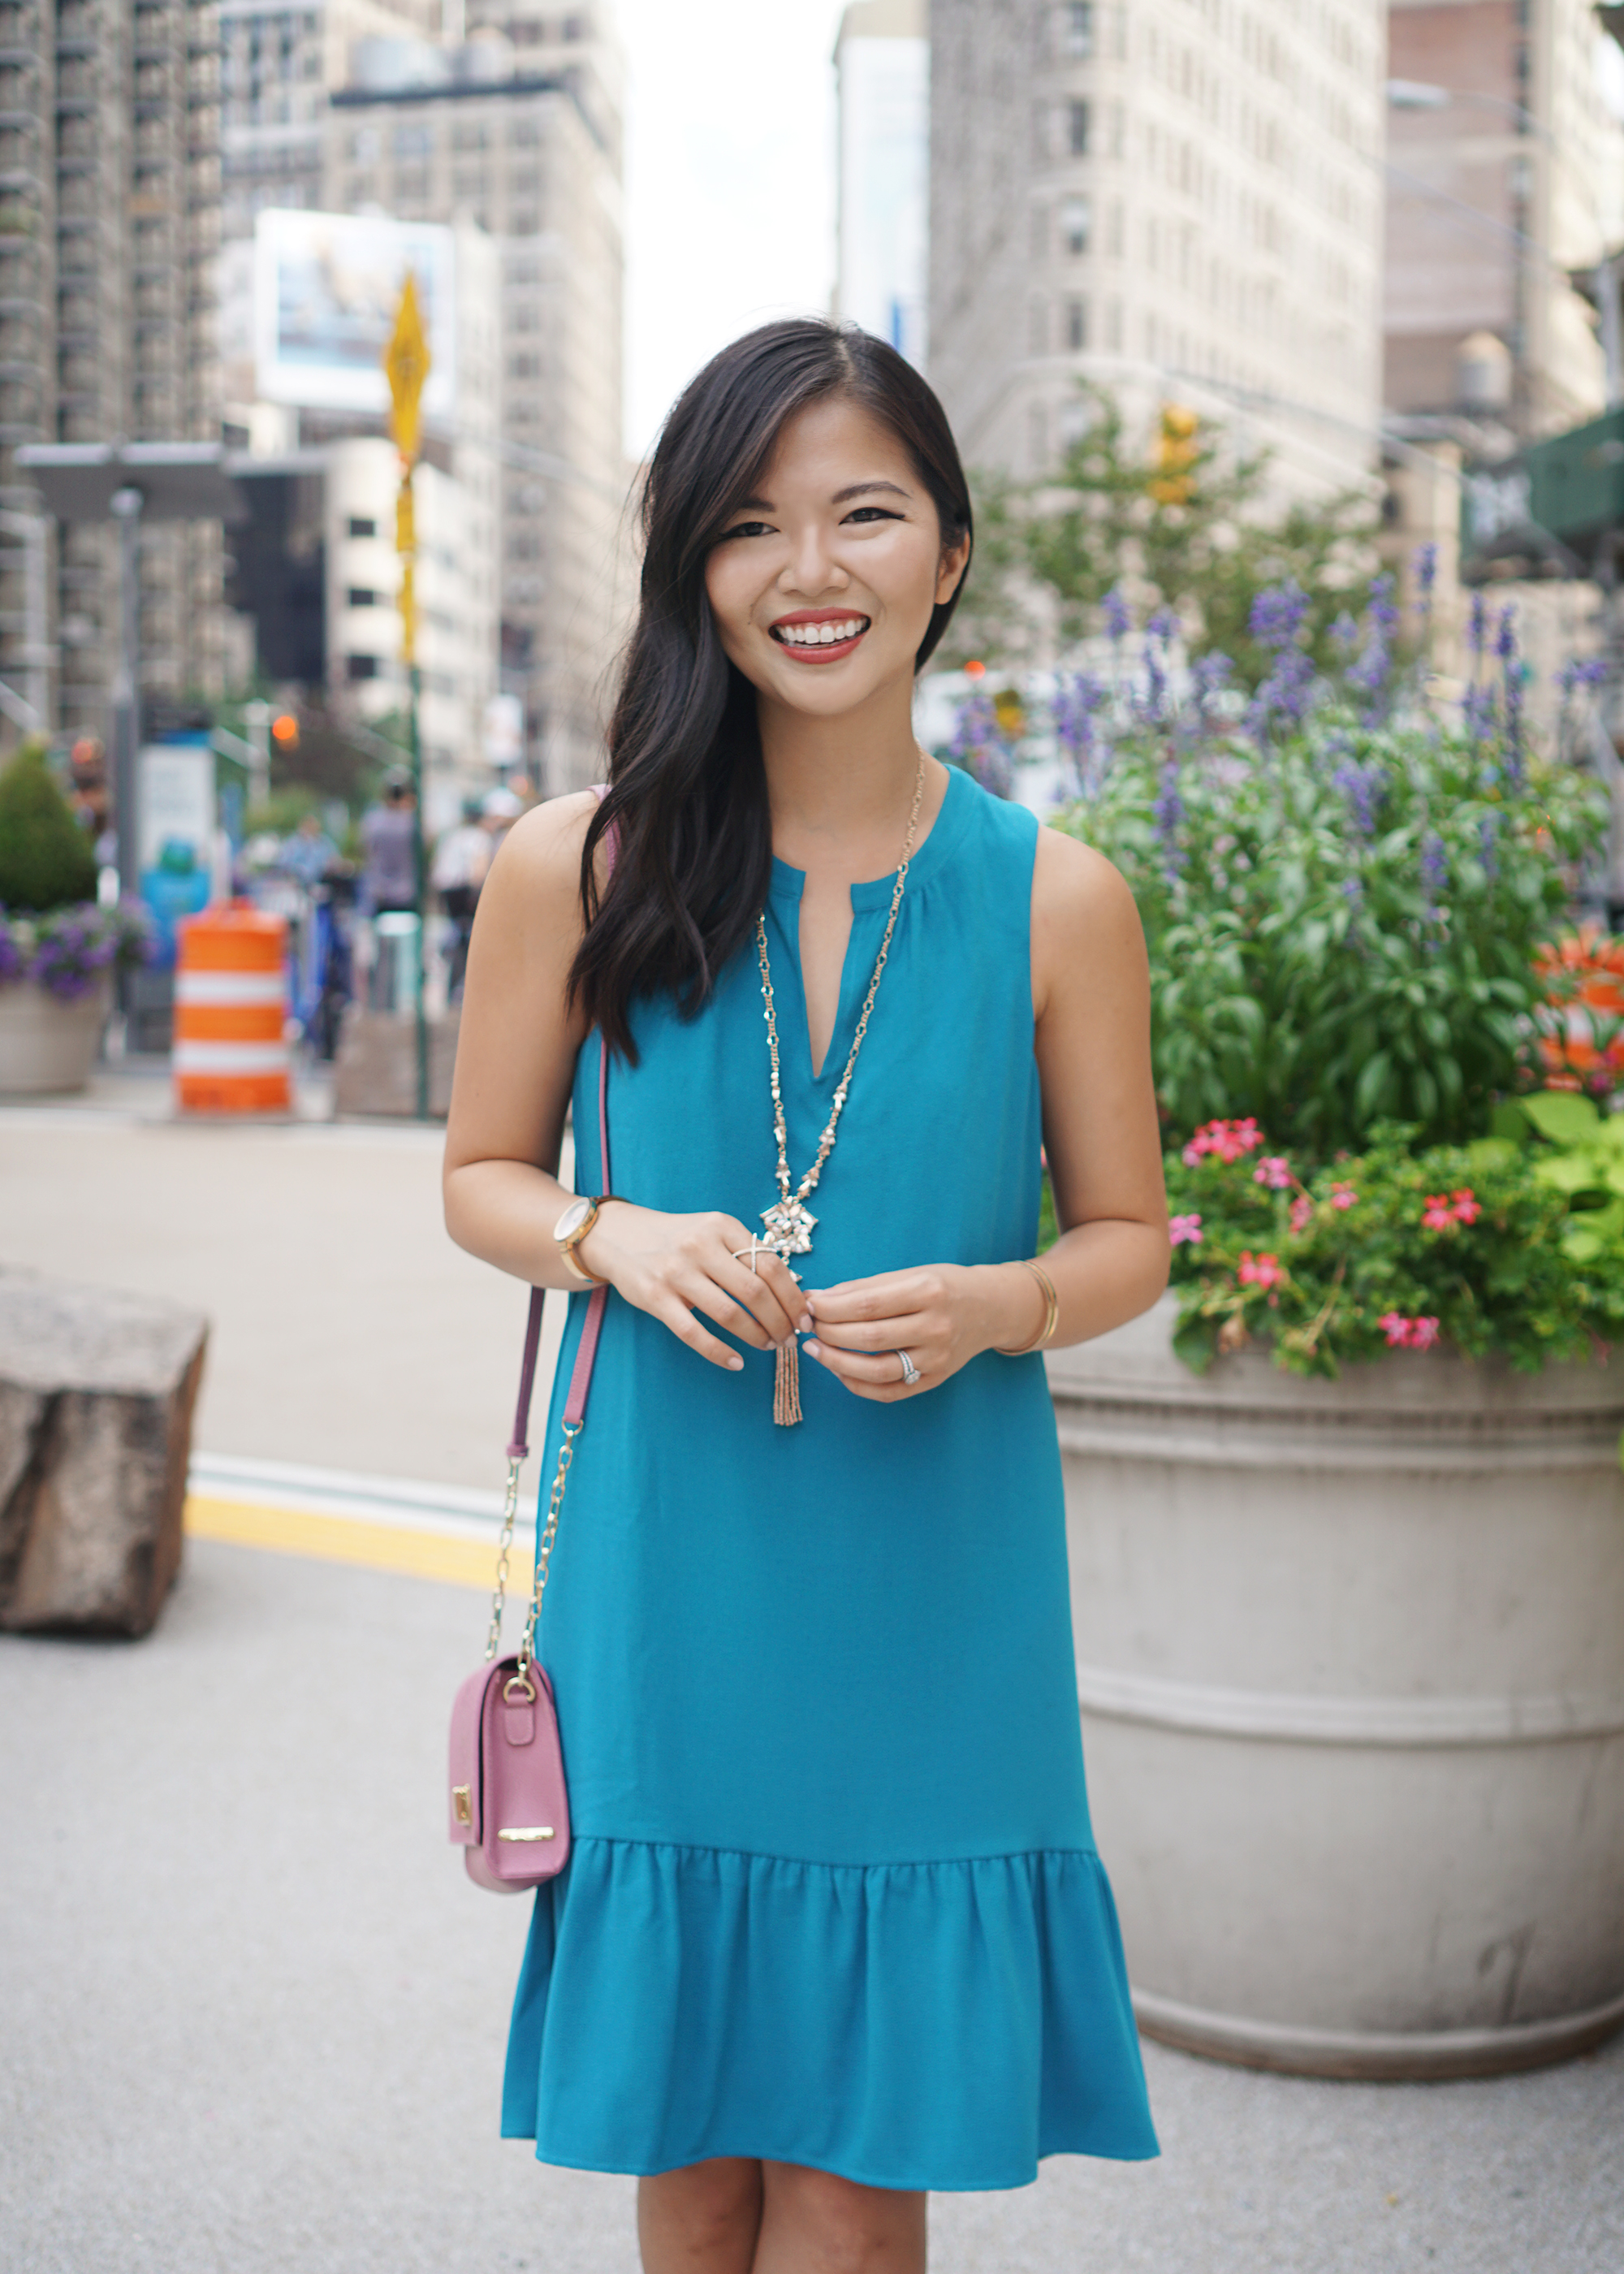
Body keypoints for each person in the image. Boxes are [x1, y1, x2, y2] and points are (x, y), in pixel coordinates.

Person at [443, 320, 1168, 2274]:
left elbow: (1129, 1234)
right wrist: (616, 1236)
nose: (809, 571)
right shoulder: (568, 868)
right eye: (752, 525)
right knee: (686, 2170)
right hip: (669, 1586)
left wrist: (999, 1303)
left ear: (948, 554)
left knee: (856, 2193)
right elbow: (479, 1183)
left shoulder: (1057, 895)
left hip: (934, 1595)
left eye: (864, 513)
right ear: (694, 566)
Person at [359, 771, 418, 1010]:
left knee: (380, 956)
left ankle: (380, 1002)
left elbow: (367, 852)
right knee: (408, 956)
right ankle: (405, 1002)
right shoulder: (412, 823)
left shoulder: (373, 821)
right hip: (408, 896)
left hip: (380, 895)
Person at [430, 796, 491, 1001]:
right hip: (465, 890)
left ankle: (452, 979)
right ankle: (464, 986)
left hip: (447, 890)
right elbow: (479, 871)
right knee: (470, 936)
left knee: (456, 932)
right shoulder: (480, 837)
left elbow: (437, 869)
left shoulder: (452, 836)